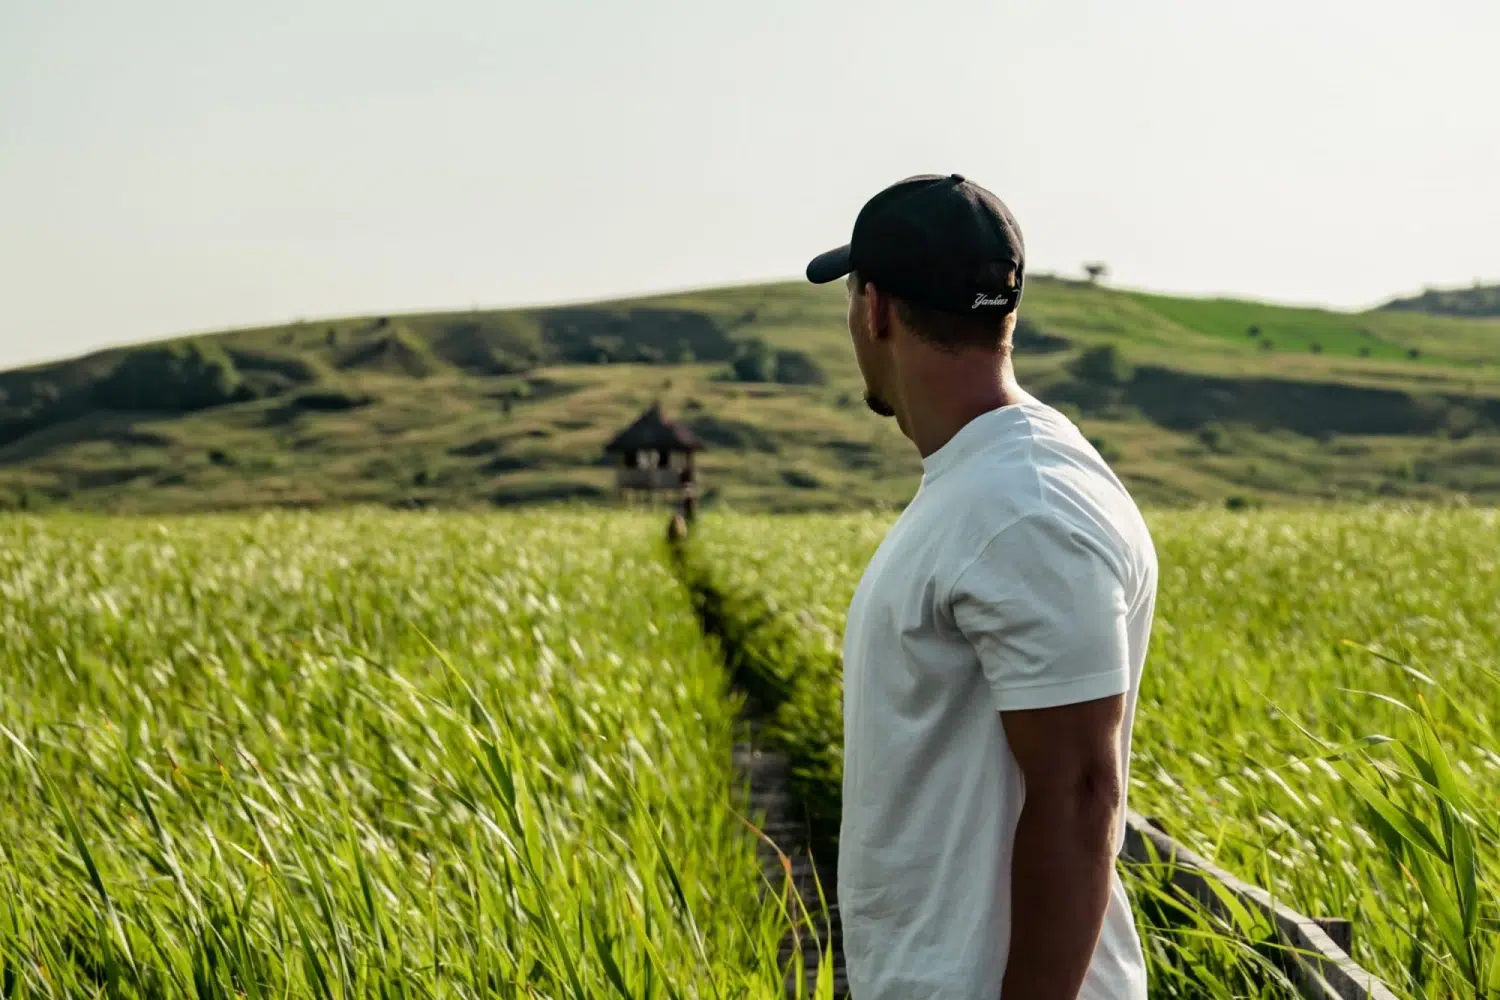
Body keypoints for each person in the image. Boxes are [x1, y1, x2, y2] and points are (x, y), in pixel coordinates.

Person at [804, 174, 1156, 1000]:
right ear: (1008, 312)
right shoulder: (995, 487)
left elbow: (1079, 794)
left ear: (876, 310)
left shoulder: (1020, 508)